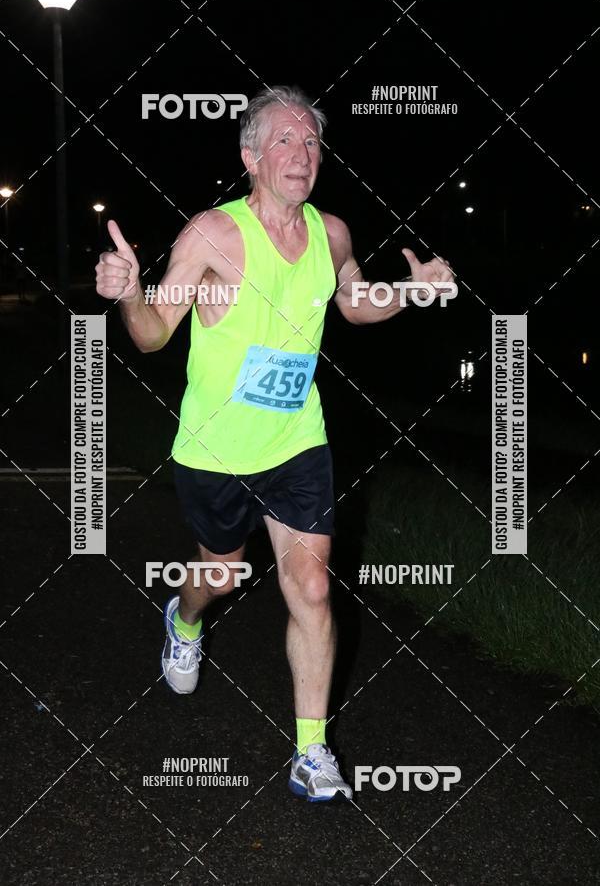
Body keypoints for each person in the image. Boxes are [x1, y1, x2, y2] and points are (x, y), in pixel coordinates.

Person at [95, 85, 454, 803]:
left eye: (312, 142)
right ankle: (184, 617)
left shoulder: (333, 232)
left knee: (312, 586)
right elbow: (152, 333)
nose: (302, 155)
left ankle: (310, 751)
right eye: (285, 141)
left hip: (297, 443)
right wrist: (130, 293)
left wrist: (409, 294)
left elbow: (352, 302)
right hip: (217, 450)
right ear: (251, 156)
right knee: (220, 576)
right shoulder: (212, 235)